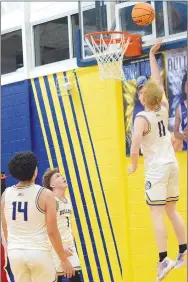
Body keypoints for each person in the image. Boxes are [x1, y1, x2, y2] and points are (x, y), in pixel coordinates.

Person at [128, 39, 187, 281]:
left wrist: (132, 166)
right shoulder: (163, 107)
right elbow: (158, 81)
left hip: (157, 170)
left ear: (143, 98)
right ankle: (184, 251)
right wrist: (153, 56)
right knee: (171, 210)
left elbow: (133, 148)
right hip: (172, 165)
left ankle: (164, 259)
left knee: (156, 213)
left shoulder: (141, 117)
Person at [1, 152, 75, 282]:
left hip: (15, 253)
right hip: (39, 252)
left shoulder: (6, 194)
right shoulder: (45, 194)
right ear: (35, 171)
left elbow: (5, 227)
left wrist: (12, 248)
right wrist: (64, 260)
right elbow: (52, 231)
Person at [42, 168, 82, 282]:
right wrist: (60, 247)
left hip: (69, 247)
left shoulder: (67, 199)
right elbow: (46, 228)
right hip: (55, 247)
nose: (62, 177)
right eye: (58, 176)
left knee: (75, 278)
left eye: (62, 175)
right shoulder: (51, 201)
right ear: (52, 184)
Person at [174, 71, 188, 150]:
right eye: (187, 84)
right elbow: (175, 132)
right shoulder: (179, 108)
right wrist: (184, 136)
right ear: (184, 87)